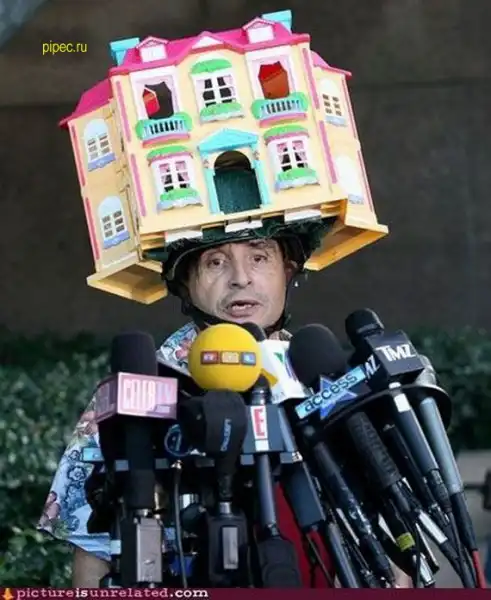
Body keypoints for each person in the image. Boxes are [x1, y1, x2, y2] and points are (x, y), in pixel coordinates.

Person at [38, 163, 410, 588]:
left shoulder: (324, 376)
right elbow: (93, 554)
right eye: (216, 261)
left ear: (288, 269)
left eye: (259, 256)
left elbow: (392, 544)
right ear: (183, 283)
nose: (241, 279)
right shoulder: (141, 387)